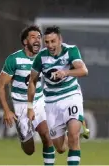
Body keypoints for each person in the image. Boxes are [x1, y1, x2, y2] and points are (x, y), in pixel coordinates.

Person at [27, 26, 88, 165]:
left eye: (53, 41)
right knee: (60, 148)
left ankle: (75, 128)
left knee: (73, 137)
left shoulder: (70, 51)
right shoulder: (41, 57)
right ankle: (79, 124)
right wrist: (30, 106)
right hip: (51, 103)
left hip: (71, 96)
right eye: (47, 42)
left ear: (60, 40)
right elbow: (32, 81)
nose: (50, 45)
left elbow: (83, 70)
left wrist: (66, 72)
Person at [0, 25, 55, 165]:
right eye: (33, 37)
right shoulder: (14, 59)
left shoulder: (45, 58)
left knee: (47, 136)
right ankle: (22, 131)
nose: (37, 40)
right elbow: (0, 85)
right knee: (29, 150)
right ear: (25, 42)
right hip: (20, 105)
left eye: (39, 38)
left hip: (39, 102)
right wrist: (6, 111)